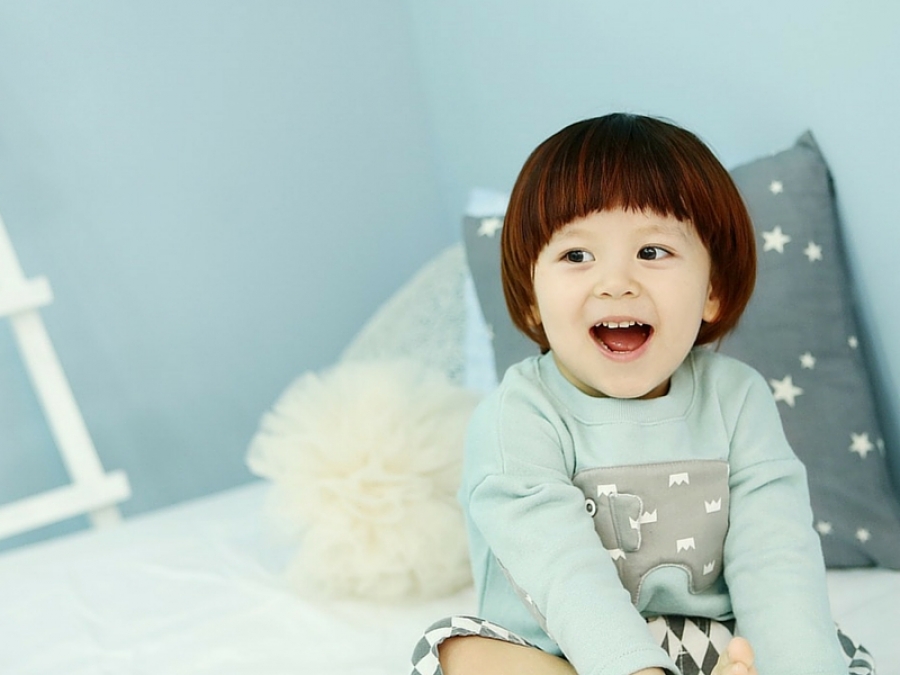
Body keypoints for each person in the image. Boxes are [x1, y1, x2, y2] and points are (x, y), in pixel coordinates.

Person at [409, 114, 874, 675]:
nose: (616, 283)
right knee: (455, 651)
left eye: (652, 252)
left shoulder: (736, 398)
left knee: (830, 651)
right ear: (531, 298)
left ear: (713, 290)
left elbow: (776, 558)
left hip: (708, 649)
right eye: (576, 256)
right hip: (560, 651)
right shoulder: (519, 415)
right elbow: (563, 572)